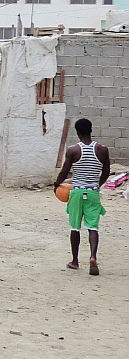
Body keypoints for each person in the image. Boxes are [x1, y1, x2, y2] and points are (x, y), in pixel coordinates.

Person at [54, 118, 110, 275]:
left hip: (77, 191)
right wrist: (97, 185)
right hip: (93, 192)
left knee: (75, 227)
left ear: (77, 132)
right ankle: (93, 256)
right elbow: (106, 172)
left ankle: (75, 261)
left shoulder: (73, 150)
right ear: (91, 130)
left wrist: (57, 184)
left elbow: (65, 171)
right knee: (92, 227)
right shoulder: (102, 150)